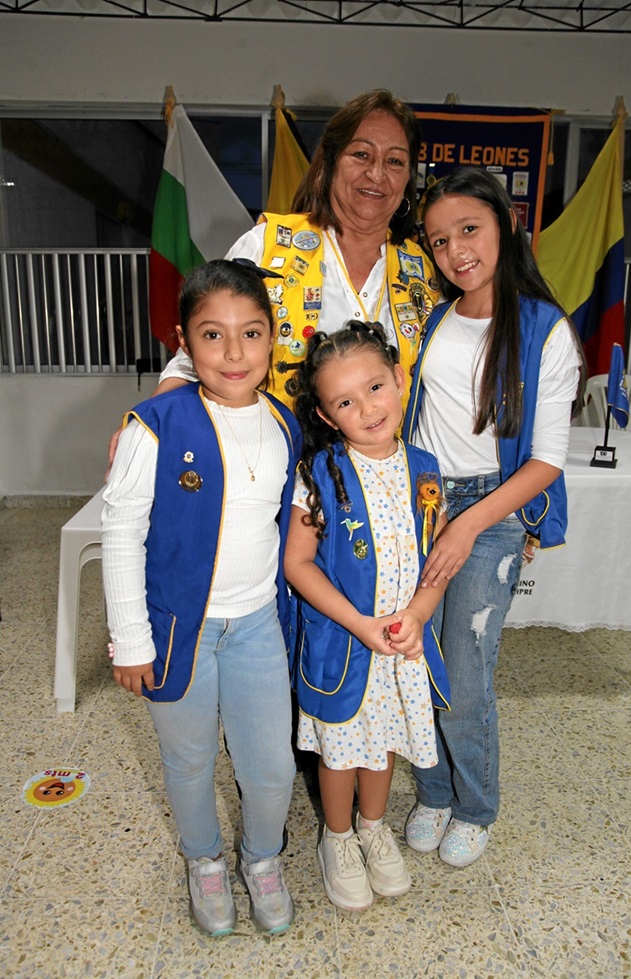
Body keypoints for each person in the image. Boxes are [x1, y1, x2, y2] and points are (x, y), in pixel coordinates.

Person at [102, 260, 301, 937]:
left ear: (273, 338)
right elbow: (121, 530)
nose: (235, 352)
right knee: (188, 759)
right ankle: (205, 860)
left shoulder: (282, 422)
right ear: (185, 342)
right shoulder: (154, 423)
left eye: (251, 332)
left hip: (255, 625)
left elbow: (283, 512)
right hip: (178, 628)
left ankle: (262, 857)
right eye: (212, 335)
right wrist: (131, 638)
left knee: (271, 765)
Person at [402, 166, 586, 868]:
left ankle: (477, 804)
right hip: (422, 503)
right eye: (439, 240)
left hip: (492, 509)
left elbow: (544, 463)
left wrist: (471, 522)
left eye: (469, 230)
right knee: (414, 657)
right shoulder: (436, 316)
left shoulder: (545, 331)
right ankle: (435, 790)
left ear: (506, 223)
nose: (456, 252)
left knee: (467, 675)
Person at [283, 321, 451, 911]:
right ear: (328, 416)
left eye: (376, 387)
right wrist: (362, 624)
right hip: (345, 645)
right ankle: (338, 837)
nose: (368, 408)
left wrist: (420, 612)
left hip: (403, 643)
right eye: (346, 401)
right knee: (340, 751)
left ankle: (374, 828)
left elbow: (437, 557)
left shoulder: (427, 469)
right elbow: (298, 566)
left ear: (400, 380)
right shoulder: (318, 475)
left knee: (382, 747)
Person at [154, 89, 439, 410]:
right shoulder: (267, 245)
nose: (377, 173)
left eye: (395, 161)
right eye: (361, 154)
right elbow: (201, 350)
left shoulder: (423, 271)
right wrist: (155, 419)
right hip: (276, 454)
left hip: (390, 458)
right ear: (330, 163)